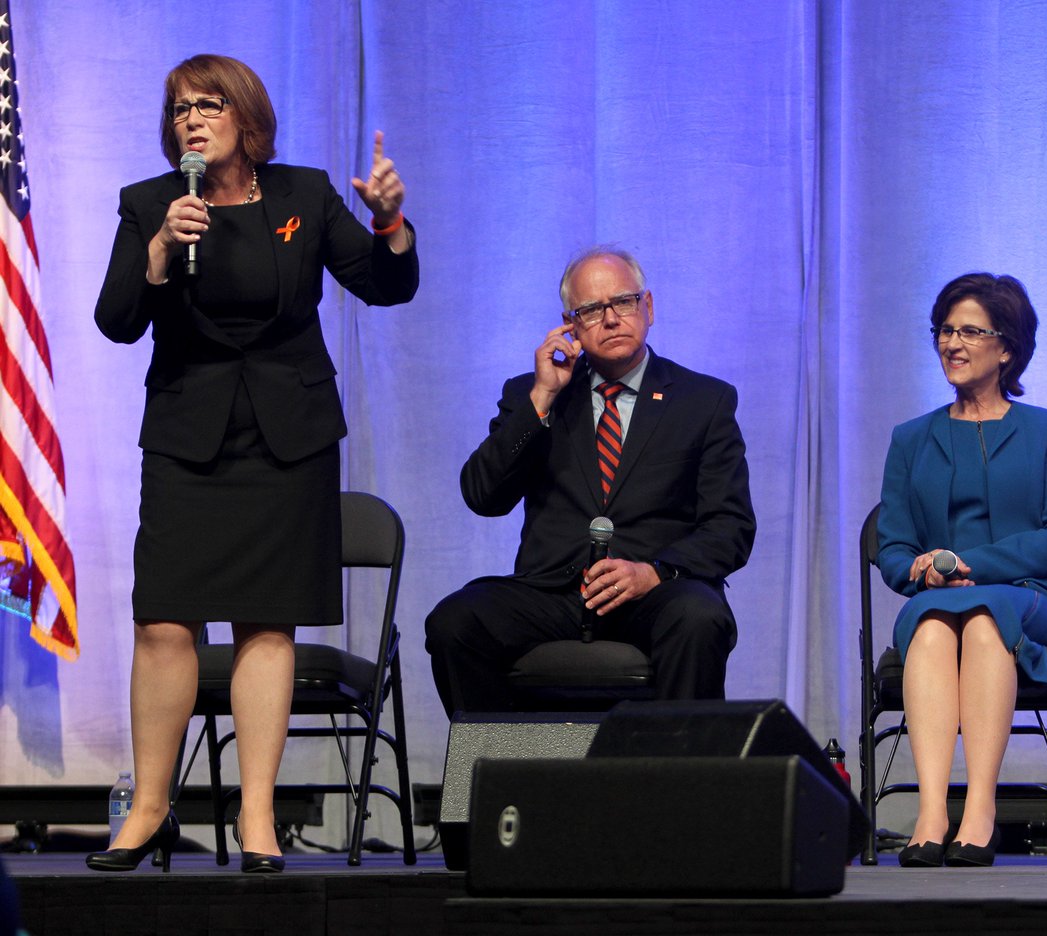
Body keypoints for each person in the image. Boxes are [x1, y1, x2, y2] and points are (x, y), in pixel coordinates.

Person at [88, 54, 419, 874]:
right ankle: (150, 811)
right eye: (178, 109)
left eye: (207, 104)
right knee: (164, 620)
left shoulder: (304, 195)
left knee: (265, 624)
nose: (190, 120)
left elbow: (384, 287)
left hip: (287, 437)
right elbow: (116, 319)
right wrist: (162, 248)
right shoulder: (149, 205)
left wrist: (389, 224)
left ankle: (259, 817)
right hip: (187, 436)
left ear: (246, 117)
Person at [424, 247, 755, 715]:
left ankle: (679, 780)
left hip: (656, 591)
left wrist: (654, 572)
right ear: (570, 324)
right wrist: (541, 398)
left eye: (623, 301)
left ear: (649, 307)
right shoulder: (534, 392)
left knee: (700, 617)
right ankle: (507, 776)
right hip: (554, 592)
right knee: (455, 622)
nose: (611, 319)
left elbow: (731, 526)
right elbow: (482, 495)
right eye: (591, 310)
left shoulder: (703, 401)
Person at [876, 273, 1047, 868]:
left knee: (986, 617)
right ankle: (932, 812)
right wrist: (920, 571)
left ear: (1007, 348)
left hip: (1032, 600)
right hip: (936, 603)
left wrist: (974, 563)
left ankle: (981, 810)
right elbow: (892, 549)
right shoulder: (911, 438)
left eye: (970, 330)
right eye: (945, 329)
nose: (952, 342)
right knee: (937, 623)